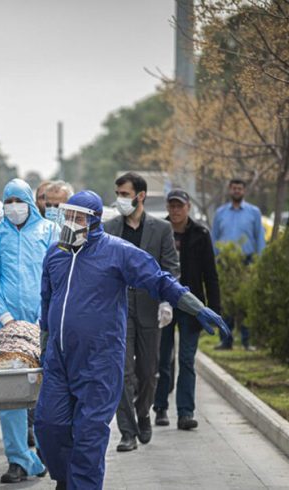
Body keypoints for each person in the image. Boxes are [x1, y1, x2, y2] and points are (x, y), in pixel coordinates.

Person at [35, 190, 230, 490]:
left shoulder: (118, 252)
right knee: (48, 427)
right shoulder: (56, 254)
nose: (70, 223)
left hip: (99, 361)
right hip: (59, 361)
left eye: (77, 218)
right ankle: (65, 479)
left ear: (94, 221)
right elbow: (47, 300)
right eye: (68, 216)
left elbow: (159, 279)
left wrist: (196, 306)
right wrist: (45, 344)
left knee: (88, 437)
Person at [0, 178, 57, 483]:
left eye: (18, 200)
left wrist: (43, 316)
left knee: (48, 390)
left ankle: (46, 452)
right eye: (7, 201)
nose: (13, 207)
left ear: (29, 201)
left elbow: (54, 273)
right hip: (6, 327)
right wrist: (5, 316)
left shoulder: (48, 232)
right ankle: (18, 460)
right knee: (10, 396)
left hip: (42, 325)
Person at [104, 172, 180, 452]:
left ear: (141, 196)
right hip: (118, 309)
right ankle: (127, 432)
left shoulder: (161, 229)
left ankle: (144, 411)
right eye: (118, 194)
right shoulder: (110, 228)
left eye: (125, 194)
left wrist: (167, 301)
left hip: (150, 306)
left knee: (149, 372)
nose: (120, 199)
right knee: (122, 372)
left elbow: (170, 268)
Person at [153, 189, 221, 430]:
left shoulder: (201, 234)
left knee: (186, 360)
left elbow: (210, 275)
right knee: (162, 359)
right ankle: (160, 407)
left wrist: (213, 309)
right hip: (163, 303)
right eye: (171, 206)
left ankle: (185, 412)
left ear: (188, 207)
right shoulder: (159, 230)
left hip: (192, 306)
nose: (175, 210)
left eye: (179, 206)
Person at [212, 178, 265, 350]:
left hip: (247, 261)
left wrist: (259, 261)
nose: (236, 191)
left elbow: (259, 237)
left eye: (240, 188)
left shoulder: (254, 212)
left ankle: (247, 341)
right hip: (226, 262)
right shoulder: (220, 212)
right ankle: (226, 341)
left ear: (244, 191)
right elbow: (214, 238)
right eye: (234, 188)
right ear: (229, 189)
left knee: (246, 302)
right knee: (226, 303)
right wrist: (214, 260)